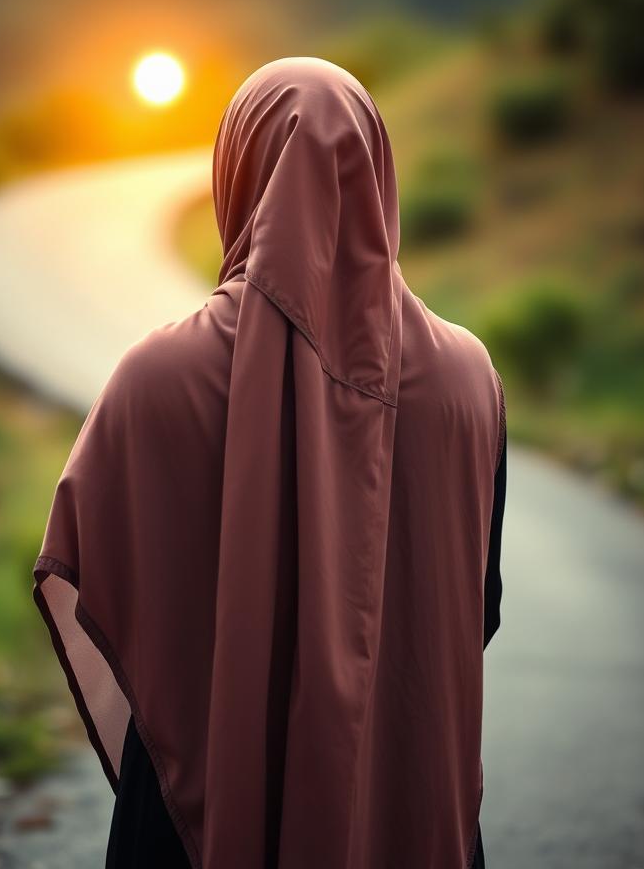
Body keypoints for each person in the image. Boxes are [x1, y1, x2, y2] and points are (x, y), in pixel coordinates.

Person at [33, 56, 507, 869]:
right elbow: (477, 602)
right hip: (408, 797)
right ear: (378, 171)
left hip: (200, 817)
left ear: (237, 174)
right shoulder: (469, 377)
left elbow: (96, 574)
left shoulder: (155, 378)